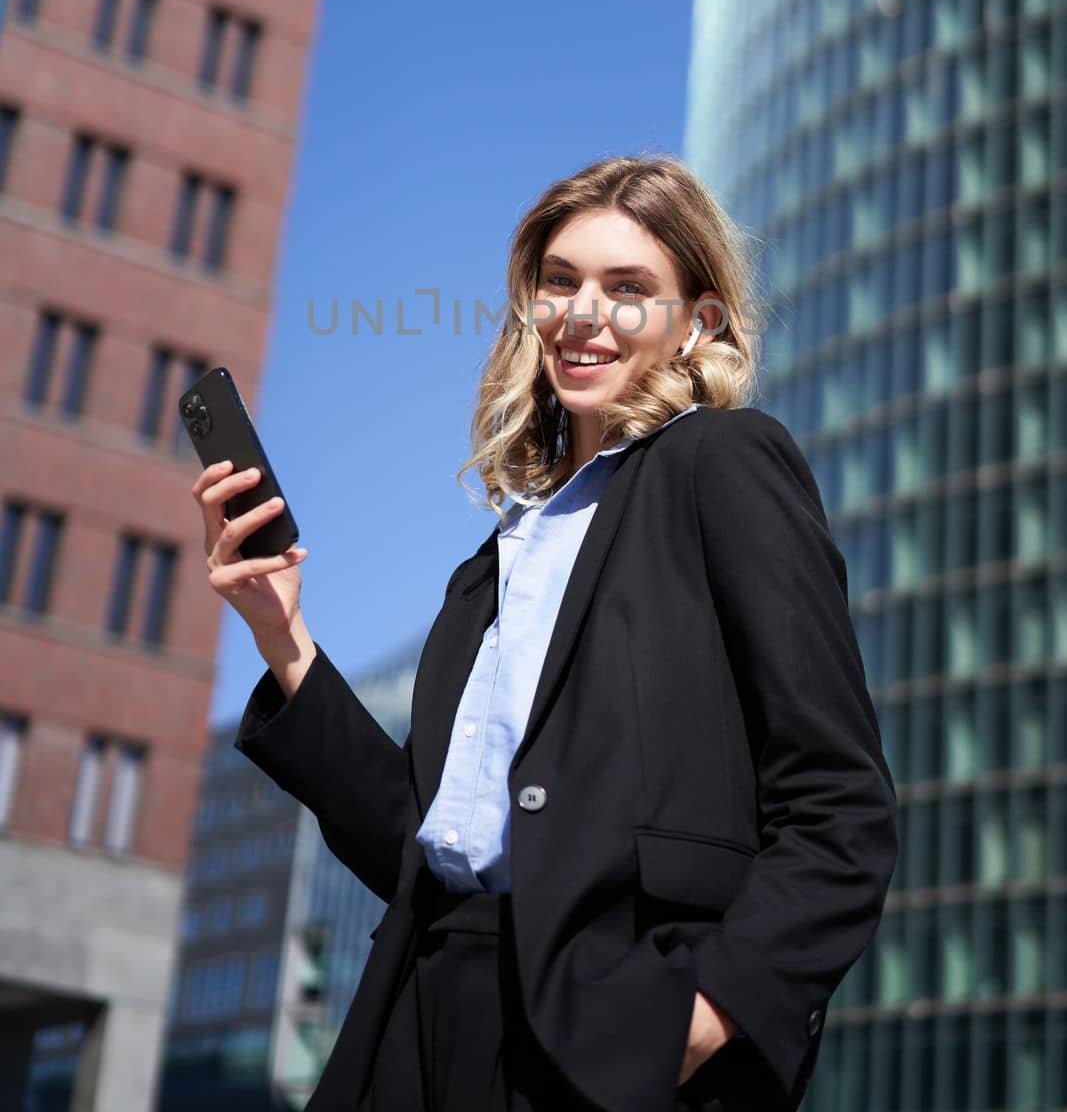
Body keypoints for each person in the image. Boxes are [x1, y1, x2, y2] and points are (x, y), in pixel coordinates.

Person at [191, 153, 898, 1112]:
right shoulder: (499, 555)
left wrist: (707, 1016)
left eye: (627, 288)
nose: (582, 314)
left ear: (699, 321)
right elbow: (421, 839)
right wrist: (283, 638)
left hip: (605, 1030)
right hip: (422, 1013)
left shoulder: (721, 465)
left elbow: (838, 804)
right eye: (559, 282)